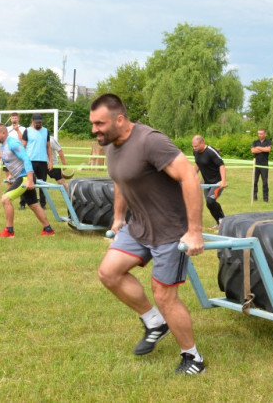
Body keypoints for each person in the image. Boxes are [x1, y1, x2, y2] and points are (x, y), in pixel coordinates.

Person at [90, 93, 206, 375]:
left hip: (170, 231)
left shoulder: (150, 141)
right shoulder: (111, 146)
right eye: (93, 123)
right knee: (109, 272)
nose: (95, 130)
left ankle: (193, 358)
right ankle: (154, 322)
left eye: (100, 123)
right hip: (139, 227)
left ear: (120, 119)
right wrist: (118, 218)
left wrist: (194, 232)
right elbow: (121, 181)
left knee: (165, 296)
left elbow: (189, 176)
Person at [0, 123, 55, 237]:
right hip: (21, 177)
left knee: (5, 199)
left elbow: (26, 159)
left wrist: (30, 180)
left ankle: (9, 231)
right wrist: (11, 175)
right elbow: (12, 162)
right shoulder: (3, 145)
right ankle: (48, 229)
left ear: (4, 133)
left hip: (25, 176)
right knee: (33, 204)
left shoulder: (13, 143)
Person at [191, 135, 227, 229]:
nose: (194, 148)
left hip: (217, 183)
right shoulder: (195, 152)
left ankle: (223, 219)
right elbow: (197, 164)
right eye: (193, 146)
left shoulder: (211, 151)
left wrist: (223, 181)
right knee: (209, 204)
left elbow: (221, 165)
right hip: (207, 183)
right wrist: (192, 177)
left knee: (210, 201)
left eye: (196, 146)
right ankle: (220, 222)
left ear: (202, 143)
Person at [22, 113, 53, 209]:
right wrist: (22, 160)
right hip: (30, 161)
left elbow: (48, 147)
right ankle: (23, 203)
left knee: (43, 183)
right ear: (32, 121)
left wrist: (50, 161)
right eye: (37, 122)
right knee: (28, 182)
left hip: (43, 161)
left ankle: (43, 204)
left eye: (40, 122)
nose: (39, 124)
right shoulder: (27, 131)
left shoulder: (46, 131)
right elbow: (23, 146)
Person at [6, 112, 27, 210]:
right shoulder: (7, 129)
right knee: (9, 178)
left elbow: (24, 140)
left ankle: (22, 203)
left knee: (22, 178)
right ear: (10, 119)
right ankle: (8, 198)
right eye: (12, 117)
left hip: (20, 156)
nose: (14, 119)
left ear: (18, 119)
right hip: (9, 156)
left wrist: (17, 129)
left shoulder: (23, 129)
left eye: (15, 117)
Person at [251, 129, 272, 202]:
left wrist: (258, 148)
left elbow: (268, 150)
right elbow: (253, 151)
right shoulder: (255, 142)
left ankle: (265, 199)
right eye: (258, 134)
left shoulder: (268, 142)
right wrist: (263, 149)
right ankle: (254, 197)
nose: (259, 135)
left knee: (265, 182)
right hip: (256, 165)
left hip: (264, 165)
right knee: (255, 181)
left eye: (261, 134)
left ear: (265, 134)